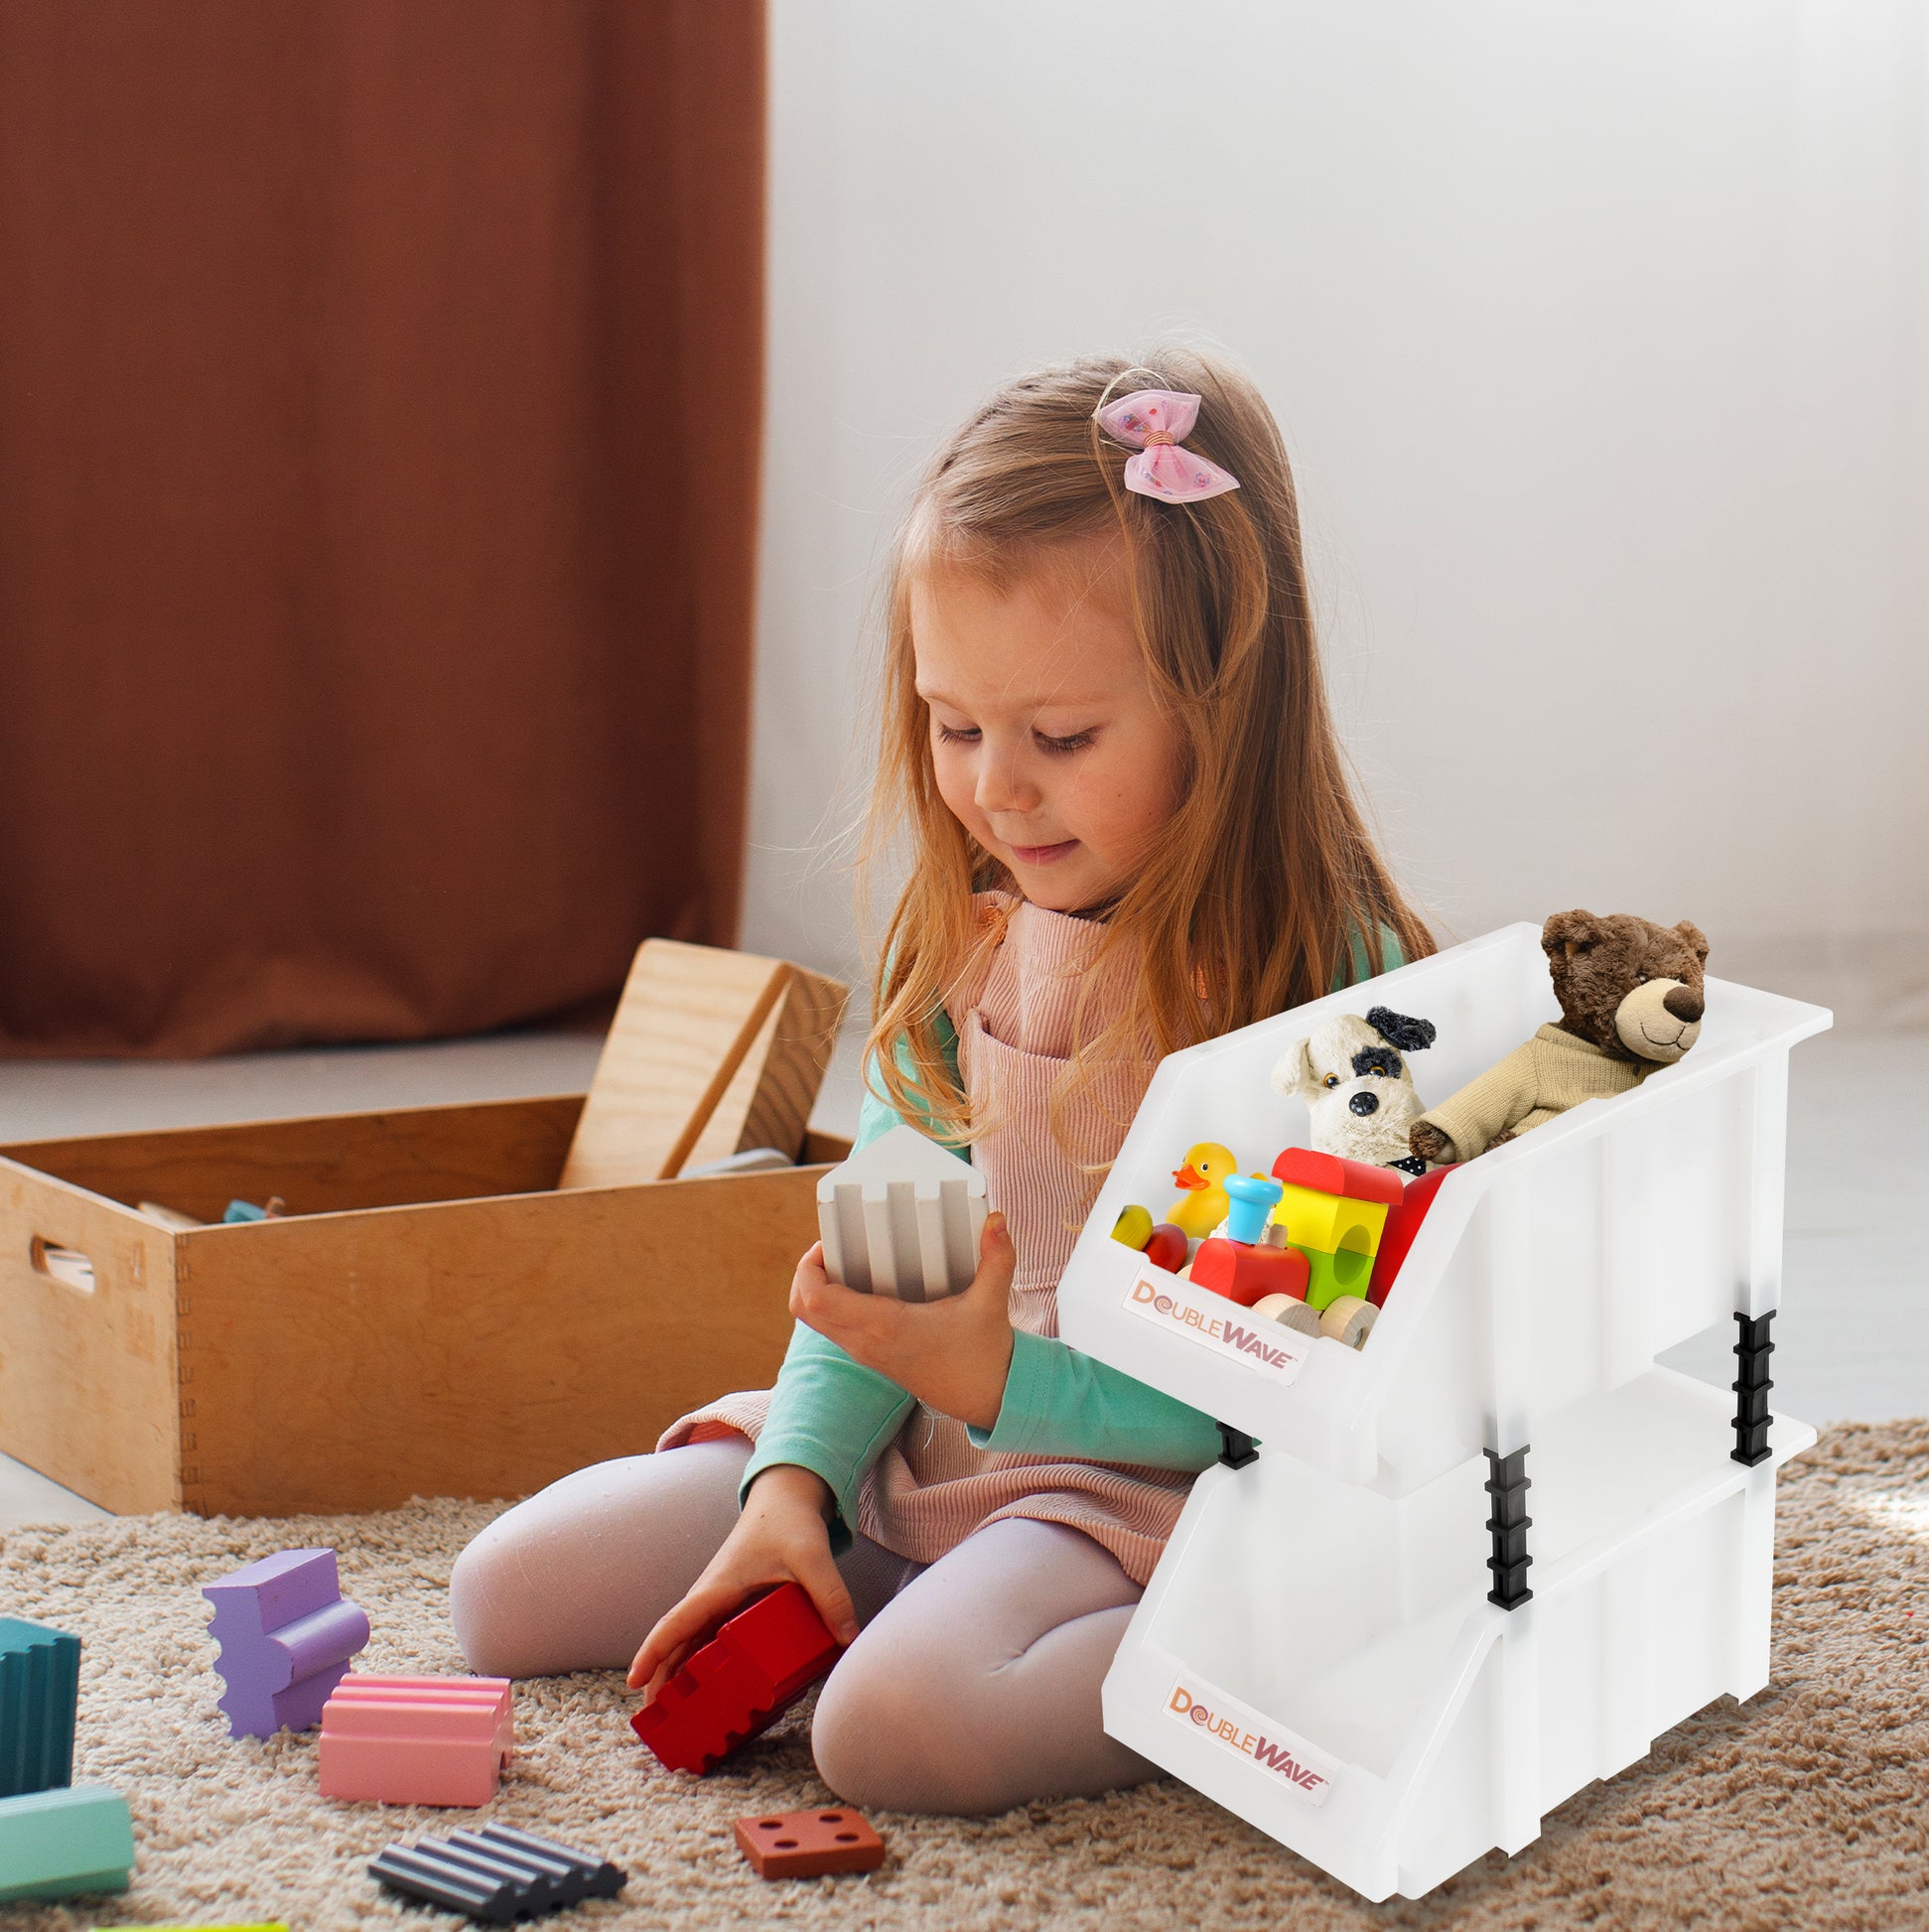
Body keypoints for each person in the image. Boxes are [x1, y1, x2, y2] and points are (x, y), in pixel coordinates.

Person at [449, 347, 1435, 1814]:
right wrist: (789, 1485)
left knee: (890, 1734)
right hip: (941, 1436)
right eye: (954, 723)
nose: (995, 787)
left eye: (1060, 736)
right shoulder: (977, 938)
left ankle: (1287, 1648)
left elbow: (1243, 1400)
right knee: (502, 1593)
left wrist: (986, 1375)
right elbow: (878, 1280)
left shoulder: (1339, 1013)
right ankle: (903, 1567)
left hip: (1160, 1483)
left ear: (1223, 700)